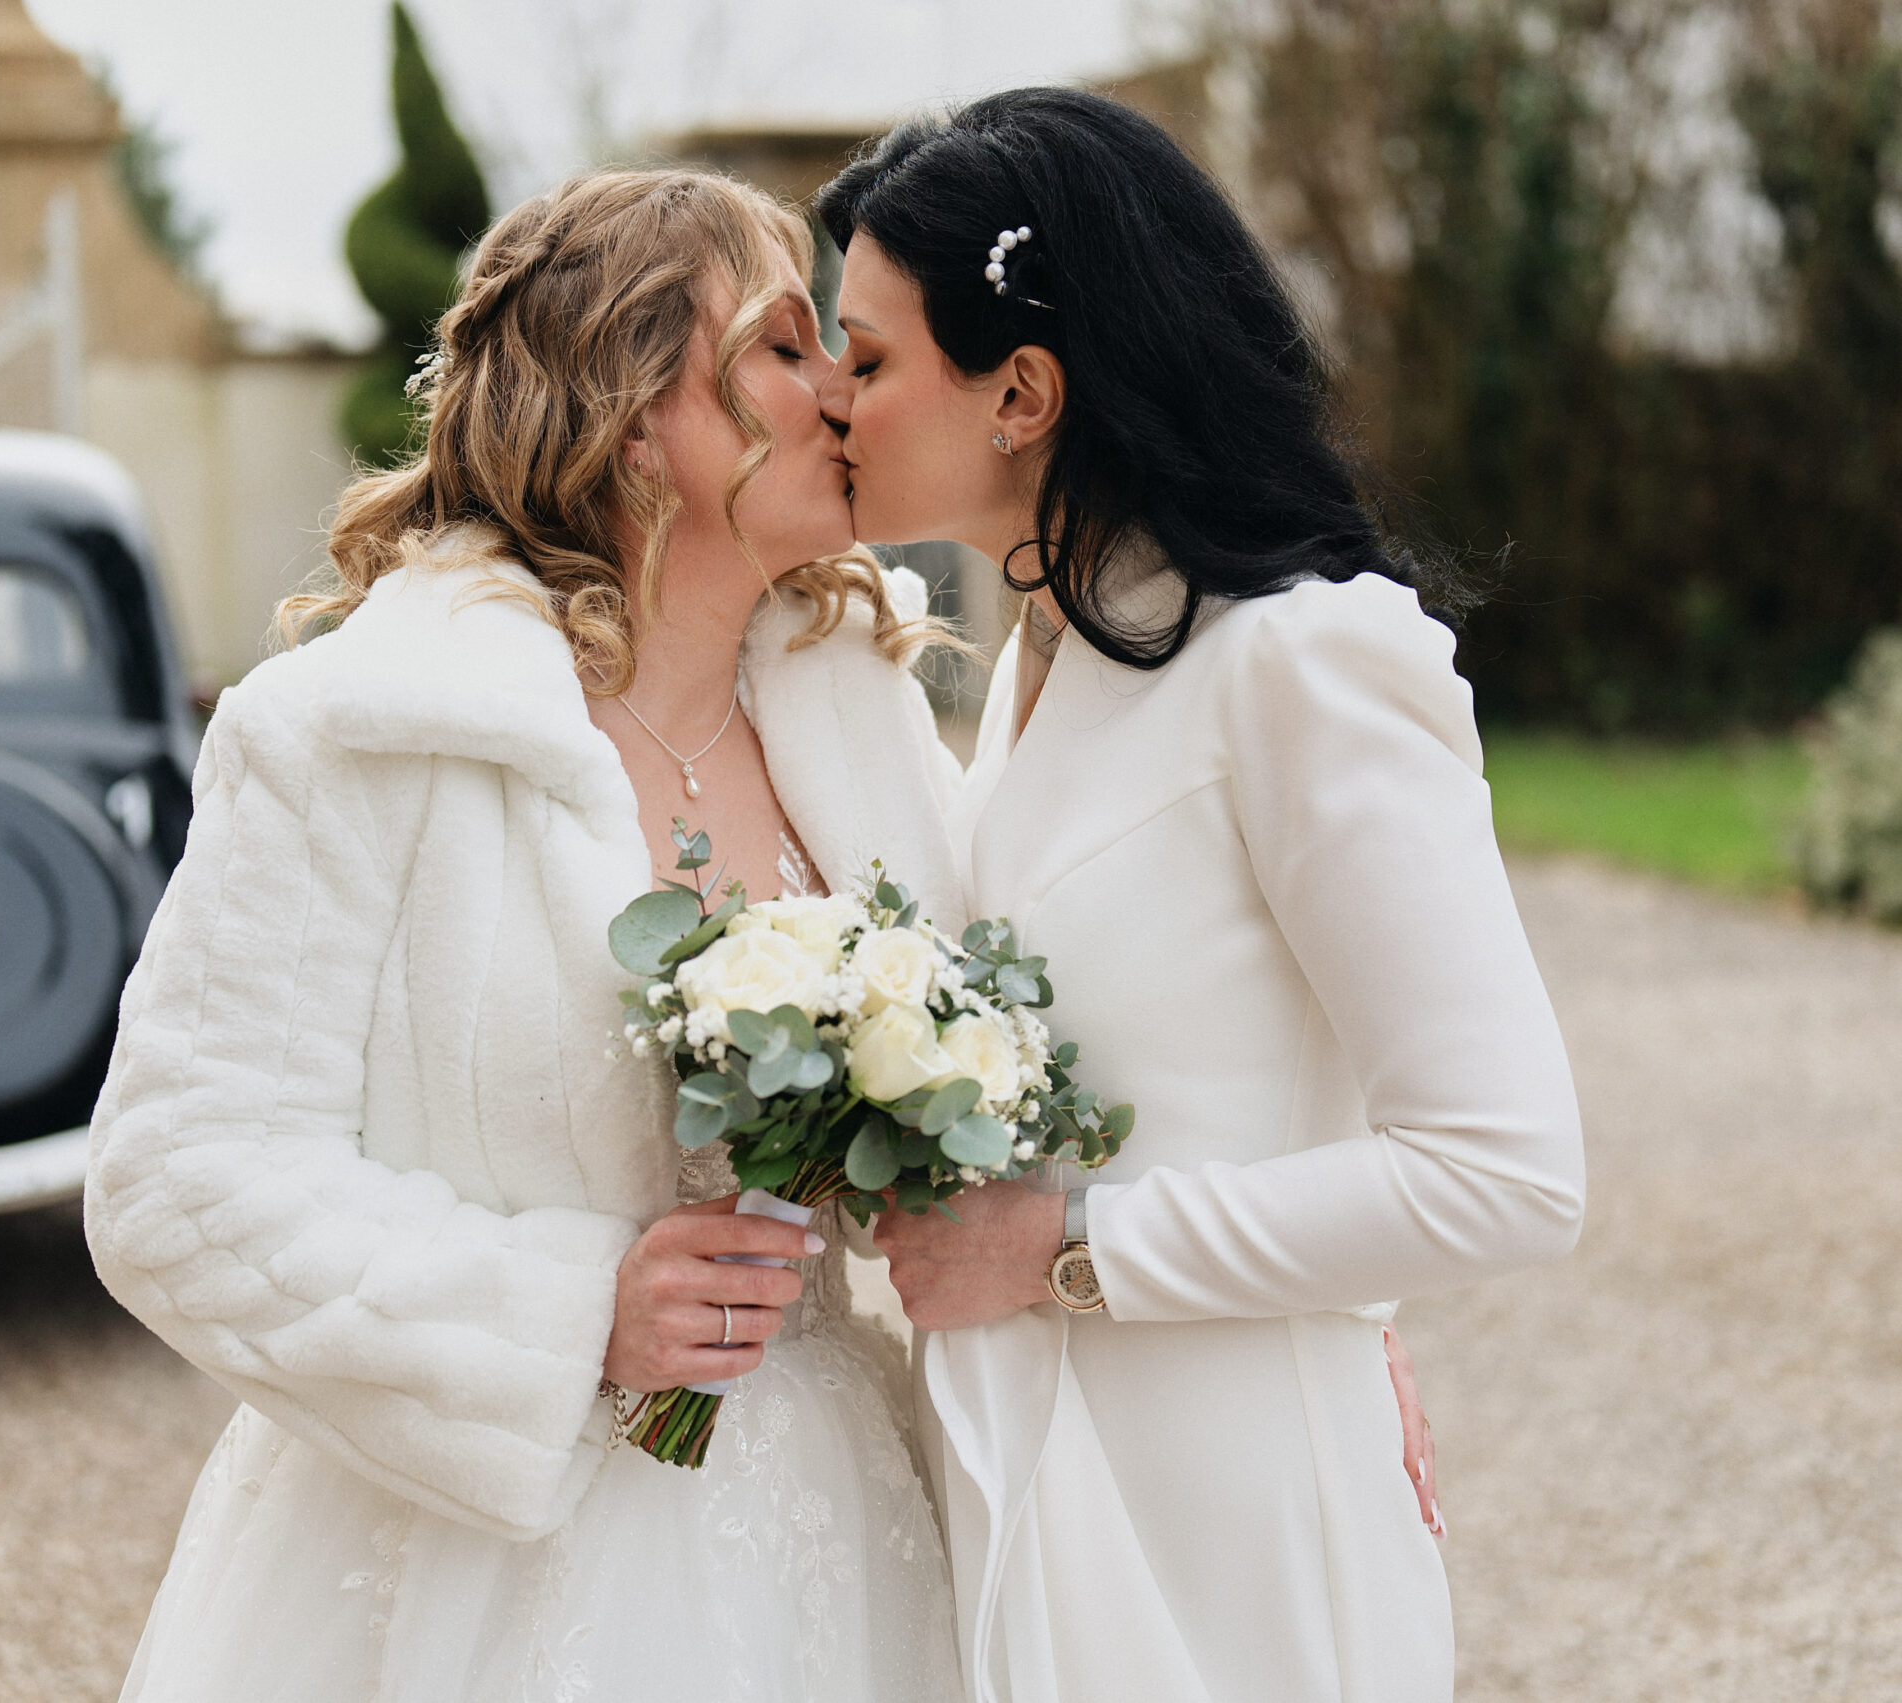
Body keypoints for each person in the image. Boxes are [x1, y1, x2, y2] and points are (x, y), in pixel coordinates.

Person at [85, 169, 968, 1702]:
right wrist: (571, 1318)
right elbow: (176, 1181)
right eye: (783, 345)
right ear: (633, 419)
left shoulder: (864, 717)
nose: (841, 387)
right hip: (468, 1567)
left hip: (835, 1531)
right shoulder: (360, 732)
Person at [815, 89, 1588, 1703]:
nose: (829, 397)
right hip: (1034, 1486)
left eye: (868, 359)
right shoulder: (1041, 653)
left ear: (1021, 391)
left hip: (1231, 1517)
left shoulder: (1308, 660)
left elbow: (1506, 1171)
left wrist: (1067, 1248)